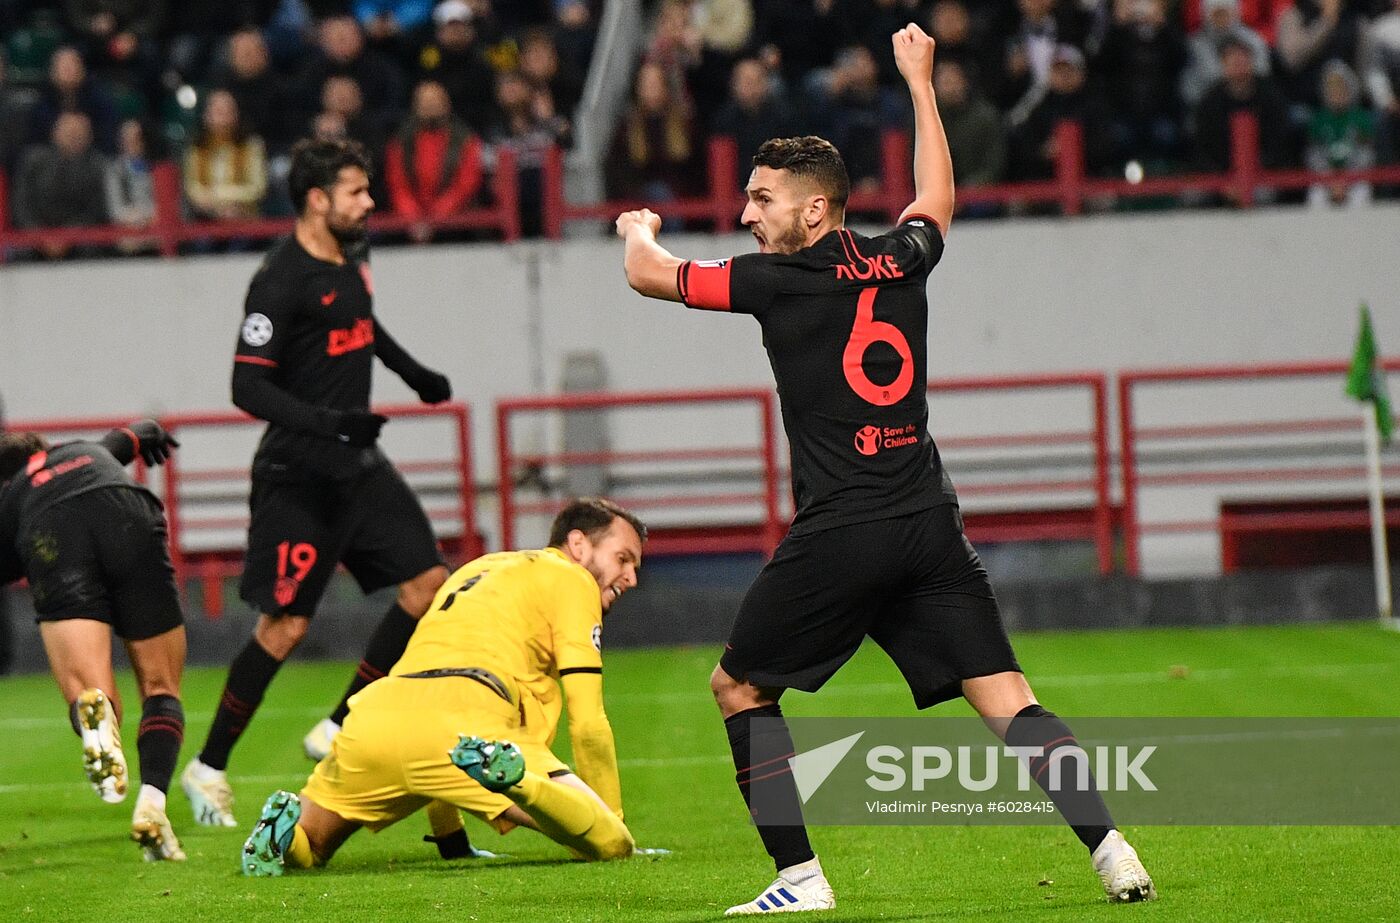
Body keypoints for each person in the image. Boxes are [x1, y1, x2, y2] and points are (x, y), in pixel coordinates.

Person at [614, 22, 1157, 914]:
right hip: (927, 518)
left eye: (762, 199)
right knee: (1009, 698)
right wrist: (919, 80)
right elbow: (936, 196)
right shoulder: (900, 257)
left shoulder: (773, 279)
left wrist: (638, 227)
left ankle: (799, 879)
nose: (749, 215)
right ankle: (1113, 851)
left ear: (814, 208)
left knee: (737, 685)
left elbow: (649, 274)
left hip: (844, 527)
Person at [181, 138, 454, 828]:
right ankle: (207, 767)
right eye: (358, 192)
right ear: (316, 200)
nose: (370, 202)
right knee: (285, 626)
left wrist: (412, 371)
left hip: (357, 469)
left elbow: (361, 323)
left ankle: (339, 722)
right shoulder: (278, 279)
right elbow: (246, 384)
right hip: (297, 476)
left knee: (428, 587)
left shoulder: (352, 255)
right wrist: (331, 422)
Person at [239, 498, 649, 875]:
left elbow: (435, 733)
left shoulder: (475, 570)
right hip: (469, 716)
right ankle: (516, 781)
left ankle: (283, 834)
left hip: (378, 716)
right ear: (578, 544)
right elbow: (587, 722)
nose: (630, 578)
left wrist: (452, 841)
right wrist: (613, 823)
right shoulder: (572, 580)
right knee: (608, 842)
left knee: (312, 846)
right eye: (623, 559)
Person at [0, 420, 187, 861]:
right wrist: (152, 435)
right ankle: (153, 804)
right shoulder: (85, 449)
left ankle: (95, 719)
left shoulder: (13, 496)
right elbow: (137, 433)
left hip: (52, 527)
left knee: (91, 692)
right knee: (162, 687)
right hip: (128, 510)